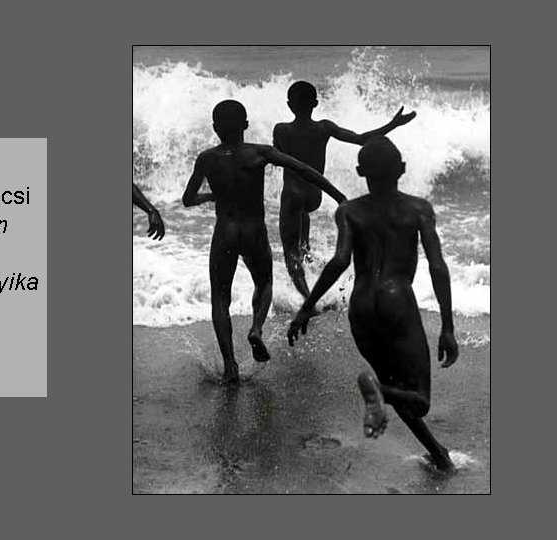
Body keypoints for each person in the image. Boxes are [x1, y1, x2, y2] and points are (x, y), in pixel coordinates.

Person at [286, 136, 459, 472]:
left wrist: (309, 305)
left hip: (362, 305)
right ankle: (377, 389)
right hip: (398, 302)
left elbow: (339, 261)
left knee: (391, 390)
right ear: (403, 169)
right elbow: (437, 266)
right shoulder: (418, 209)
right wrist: (448, 327)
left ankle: (438, 454)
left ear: (360, 171)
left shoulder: (348, 210)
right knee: (416, 399)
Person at [183, 100, 346, 384]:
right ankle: (256, 329)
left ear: (215, 128)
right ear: (245, 125)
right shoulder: (260, 153)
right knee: (264, 283)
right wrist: (338, 196)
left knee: (220, 299)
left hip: (224, 232)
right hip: (253, 231)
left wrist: (210, 197)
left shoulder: (206, 158)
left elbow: (187, 199)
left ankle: (230, 365)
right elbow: (305, 170)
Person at [273, 81, 416, 299]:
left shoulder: (281, 130)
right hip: (315, 195)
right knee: (303, 225)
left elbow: (278, 158)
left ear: (289, 105)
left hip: (292, 194)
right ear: (315, 104)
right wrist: (393, 124)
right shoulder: (324, 128)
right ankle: (309, 254)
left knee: (290, 253)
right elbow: (361, 139)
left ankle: (307, 298)